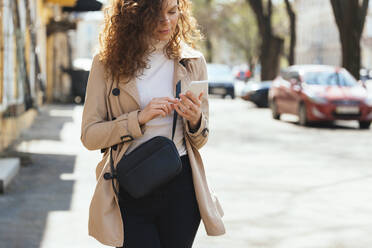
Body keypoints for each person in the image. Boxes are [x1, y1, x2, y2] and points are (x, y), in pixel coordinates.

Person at [80, 0, 225, 247]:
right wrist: (138, 118)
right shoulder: (106, 64)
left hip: (181, 184)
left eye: (172, 12)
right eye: (155, 15)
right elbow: (89, 136)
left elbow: (200, 139)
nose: (166, 21)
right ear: (135, 16)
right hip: (130, 182)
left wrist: (195, 120)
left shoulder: (193, 62)